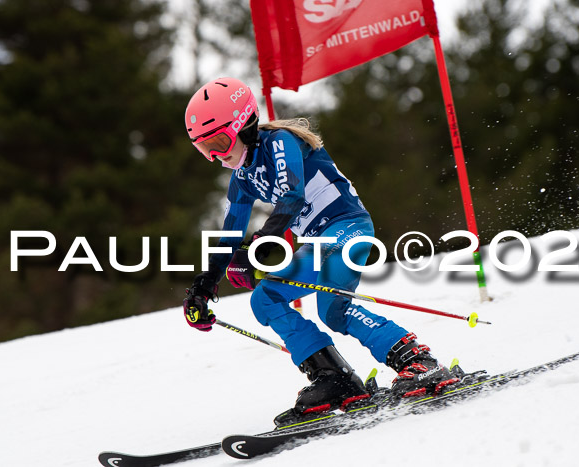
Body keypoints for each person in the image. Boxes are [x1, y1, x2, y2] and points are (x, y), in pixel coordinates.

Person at [182, 77, 458, 417]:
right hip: (317, 243)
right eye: (204, 148)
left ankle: (417, 361)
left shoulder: (280, 142)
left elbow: (292, 196)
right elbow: (228, 236)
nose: (214, 156)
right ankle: (334, 378)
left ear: (245, 125)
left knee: (333, 309)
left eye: (220, 143)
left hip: (348, 228)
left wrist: (257, 249)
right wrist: (203, 286)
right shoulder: (242, 178)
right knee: (264, 299)